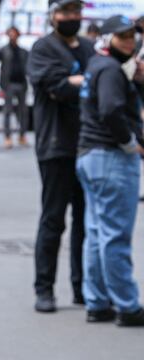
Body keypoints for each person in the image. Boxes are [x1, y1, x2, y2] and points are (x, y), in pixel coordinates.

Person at [26, 0, 94, 312]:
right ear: (53, 16)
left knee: (86, 221)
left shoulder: (90, 47)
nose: (72, 17)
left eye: (76, 12)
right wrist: (82, 81)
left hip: (90, 146)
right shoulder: (43, 48)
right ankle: (44, 289)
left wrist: (78, 81)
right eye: (66, 12)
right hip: (56, 147)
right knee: (54, 219)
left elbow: (101, 79)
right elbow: (56, 87)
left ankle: (83, 289)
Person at [77, 15, 144, 326]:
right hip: (111, 157)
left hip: (92, 155)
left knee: (97, 233)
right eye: (122, 36)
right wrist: (131, 143)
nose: (129, 40)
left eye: (132, 35)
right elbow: (111, 110)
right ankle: (127, 305)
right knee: (114, 235)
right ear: (107, 38)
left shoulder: (98, 65)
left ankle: (98, 302)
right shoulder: (111, 69)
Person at [0, 26, 29, 149]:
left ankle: (22, 135)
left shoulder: (23, 51)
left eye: (14, 34)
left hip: (21, 83)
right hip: (8, 84)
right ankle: (7, 137)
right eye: (10, 34)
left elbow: (28, 67)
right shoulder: (3, 50)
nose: (12, 37)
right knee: (8, 111)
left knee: (22, 112)